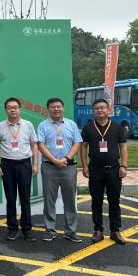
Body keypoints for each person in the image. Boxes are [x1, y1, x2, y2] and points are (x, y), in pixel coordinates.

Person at [81, 99, 129, 244]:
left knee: (114, 201)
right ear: (93, 111)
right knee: (96, 201)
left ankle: (115, 231)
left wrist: (124, 166)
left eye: (102, 107)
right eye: (97, 108)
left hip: (114, 169)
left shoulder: (117, 127)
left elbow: (123, 146)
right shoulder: (88, 128)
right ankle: (98, 230)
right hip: (95, 169)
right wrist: (84, 166)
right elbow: (83, 147)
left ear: (108, 110)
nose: (100, 110)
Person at [37, 98, 83, 243]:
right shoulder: (43, 125)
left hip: (68, 167)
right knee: (49, 200)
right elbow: (40, 145)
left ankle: (70, 231)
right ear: (48, 109)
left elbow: (77, 143)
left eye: (58, 106)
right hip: (49, 167)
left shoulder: (72, 124)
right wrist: (54, 160)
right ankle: (50, 230)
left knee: (70, 200)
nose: (56, 109)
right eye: (53, 107)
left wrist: (66, 158)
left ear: (63, 108)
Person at [0, 98, 39, 242]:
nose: (12, 110)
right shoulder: (0, 126)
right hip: (7, 165)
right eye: (9, 107)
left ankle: (27, 229)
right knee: (10, 199)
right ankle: (12, 229)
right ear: (5, 110)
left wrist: (35, 164)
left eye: (15, 107)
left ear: (20, 109)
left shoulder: (28, 125)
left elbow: (34, 144)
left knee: (25, 199)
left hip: (25, 164)